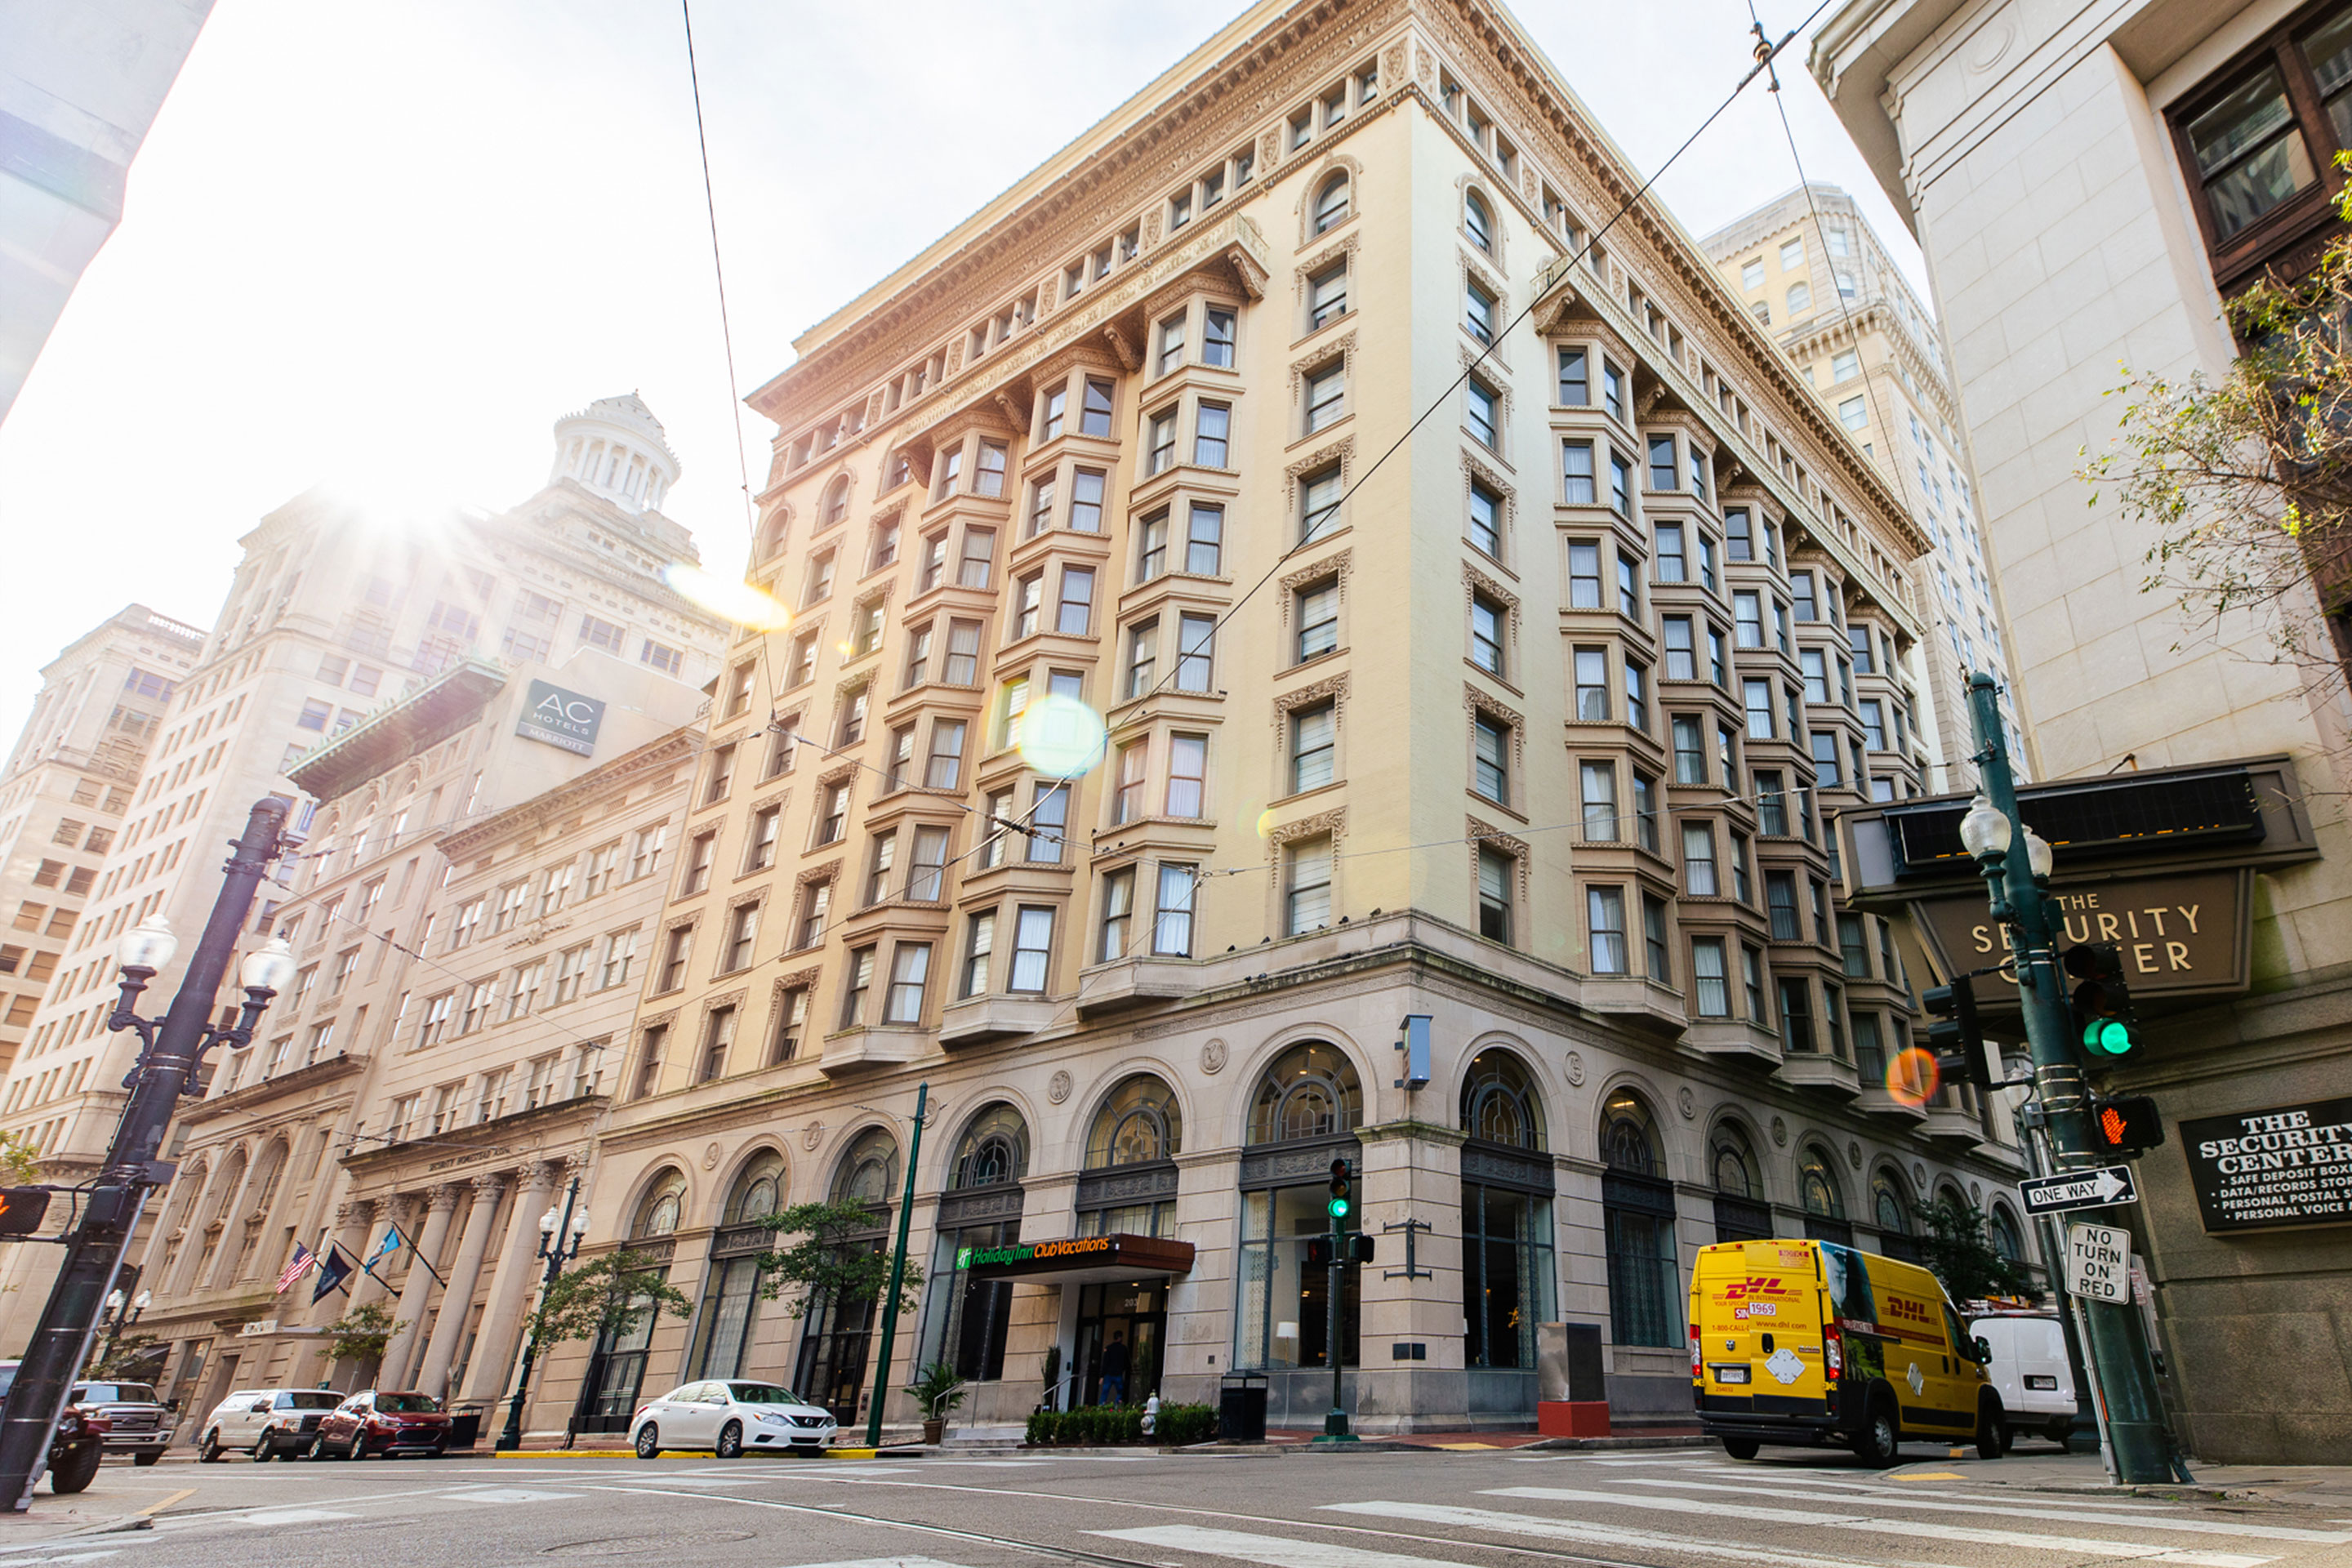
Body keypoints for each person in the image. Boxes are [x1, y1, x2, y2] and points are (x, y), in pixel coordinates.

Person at [1099, 1332, 1130, 1405]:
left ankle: (1101, 1406)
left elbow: (1105, 1363)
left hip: (1108, 1374)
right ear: (1120, 1338)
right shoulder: (1123, 1348)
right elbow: (1127, 1362)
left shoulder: (1109, 1348)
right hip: (1118, 1374)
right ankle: (1117, 1405)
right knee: (1120, 1392)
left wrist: (1102, 1376)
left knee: (1105, 1392)